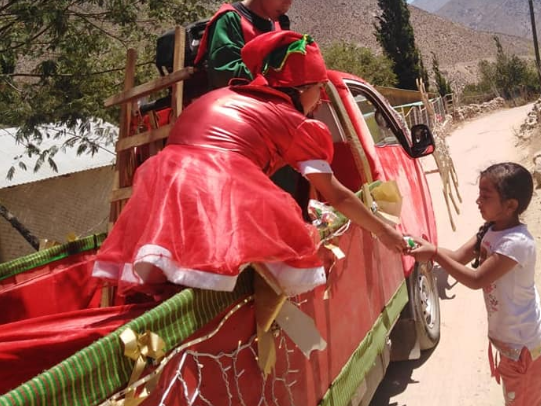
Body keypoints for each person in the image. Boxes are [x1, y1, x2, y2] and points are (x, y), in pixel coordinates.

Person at [94, 30, 408, 297]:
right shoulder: (296, 123)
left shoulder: (228, 96)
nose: (321, 98)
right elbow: (337, 195)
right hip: (221, 177)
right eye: (320, 89)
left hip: (163, 177)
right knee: (273, 238)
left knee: (172, 262)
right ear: (303, 89)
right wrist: (384, 232)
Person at [407, 162, 541, 406]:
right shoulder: (491, 230)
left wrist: (433, 253)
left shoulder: (516, 243)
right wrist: (416, 244)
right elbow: (455, 258)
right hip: (516, 347)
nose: (478, 201)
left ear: (510, 205)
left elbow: (476, 280)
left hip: (526, 349)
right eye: (479, 194)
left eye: (485, 196)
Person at [194, 0, 311, 90]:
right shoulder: (230, 19)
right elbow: (225, 74)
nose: (288, 3)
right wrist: (274, 73)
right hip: (238, 105)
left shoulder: (280, 25)